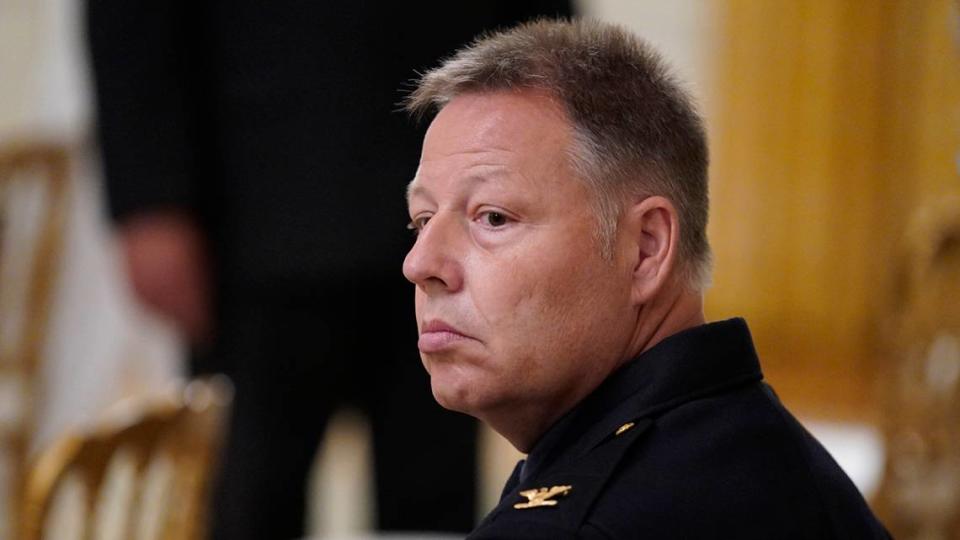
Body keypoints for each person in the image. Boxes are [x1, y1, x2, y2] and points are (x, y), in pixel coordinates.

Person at [85, 3, 572, 539]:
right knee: (247, 500)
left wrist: (557, 169)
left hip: (459, 177)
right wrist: (150, 199)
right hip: (254, 204)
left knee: (434, 496)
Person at [401, 18, 891, 539]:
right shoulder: (761, 449)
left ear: (645, 250)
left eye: (493, 217)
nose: (420, 264)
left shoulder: (578, 525)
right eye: (422, 221)